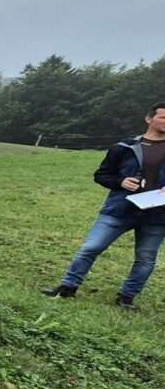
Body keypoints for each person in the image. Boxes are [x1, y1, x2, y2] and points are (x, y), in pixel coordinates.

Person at [43, 102, 165, 309]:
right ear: (149, 118)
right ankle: (67, 288)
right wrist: (121, 182)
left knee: (146, 259)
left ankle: (126, 299)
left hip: (157, 215)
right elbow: (101, 175)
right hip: (120, 210)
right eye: (163, 117)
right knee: (91, 247)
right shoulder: (124, 147)